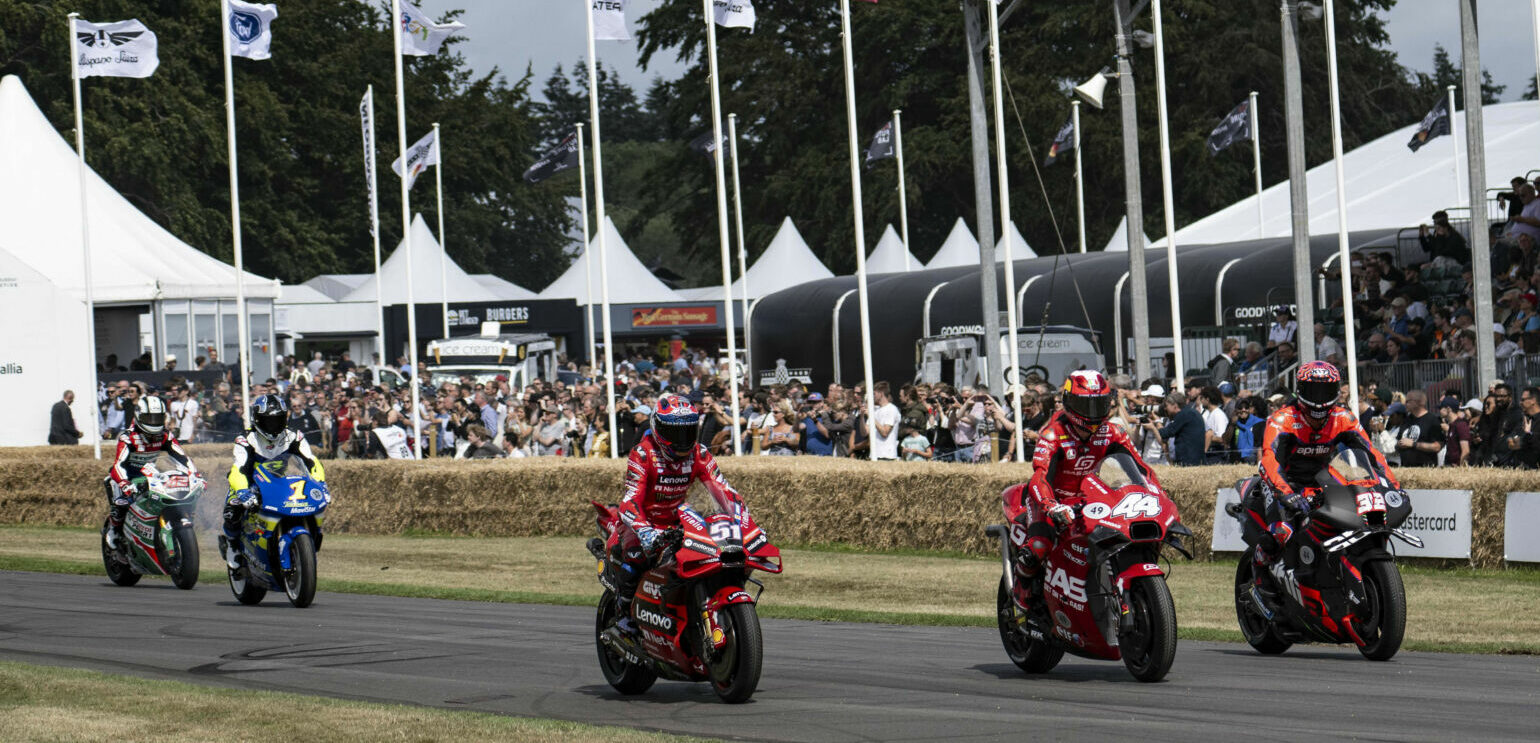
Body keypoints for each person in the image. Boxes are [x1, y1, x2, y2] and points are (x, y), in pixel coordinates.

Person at [1001, 371, 1160, 606]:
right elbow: (1039, 476)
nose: (1093, 413)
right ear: (1068, 402)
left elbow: (1142, 469)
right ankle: (1021, 587)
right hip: (1050, 500)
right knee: (1039, 546)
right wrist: (1050, 505)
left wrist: (1156, 494)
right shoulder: (1053, 433)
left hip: (1088, 501)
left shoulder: (1112, 432)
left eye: (1099, 404)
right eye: (1085, 404)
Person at [1248, 362, 1401, 590]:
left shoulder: (1344, 418)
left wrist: (1392, 485)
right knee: (1283, 531)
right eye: (1313, 391)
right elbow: (1269, 460)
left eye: (1325, 391)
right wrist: (1286, 494)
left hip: (1325, 483)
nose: (1319, 399)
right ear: (1299, 390)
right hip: (1285, 485)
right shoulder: (1282, 419)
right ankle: (1259, 571)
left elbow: (1373, 455)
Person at [605, 393, 746, 636]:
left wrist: (743, 520)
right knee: (636, 557)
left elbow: (722, 489)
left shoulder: (699, 454)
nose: (682, 440)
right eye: (674, 432)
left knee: (715, 554)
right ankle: (624, 615)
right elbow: (630, 499)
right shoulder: (643, 453)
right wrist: (645, 530)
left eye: (688, 432)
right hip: (641, 522)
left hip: (677, 521)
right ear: (658, 428)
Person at [220, 394, 326, 569]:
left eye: (278, 420)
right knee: (232, 508)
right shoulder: (245, 439)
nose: (273, 425)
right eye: (269, 421)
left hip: (277, 482)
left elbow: (311, 461)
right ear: (258, 420)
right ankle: (232, 544)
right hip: (249, 484)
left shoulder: (294, 436)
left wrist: (320, 482)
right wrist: (242, 491)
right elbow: (238, 469)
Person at [104, 397, 199, 550]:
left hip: (149, 476)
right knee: (121, 502)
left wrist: (195, 475)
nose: (154, 423)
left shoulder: (165, 435)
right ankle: (114, 530)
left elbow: (181, 457)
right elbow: (118, 465)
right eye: (149, 418)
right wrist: (124, 483)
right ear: (139, 416)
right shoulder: (128, 437)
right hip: (126, 477)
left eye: (158, 418)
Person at [869, 382, 901, 461]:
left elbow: (885, 432)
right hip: (874, 454)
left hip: (886, 455)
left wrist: (871, 417)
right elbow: (865, 432)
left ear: (881, 394)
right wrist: (863, 416)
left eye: (874, 394)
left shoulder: (891, 409)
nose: (873, 396)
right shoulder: (875, 410)